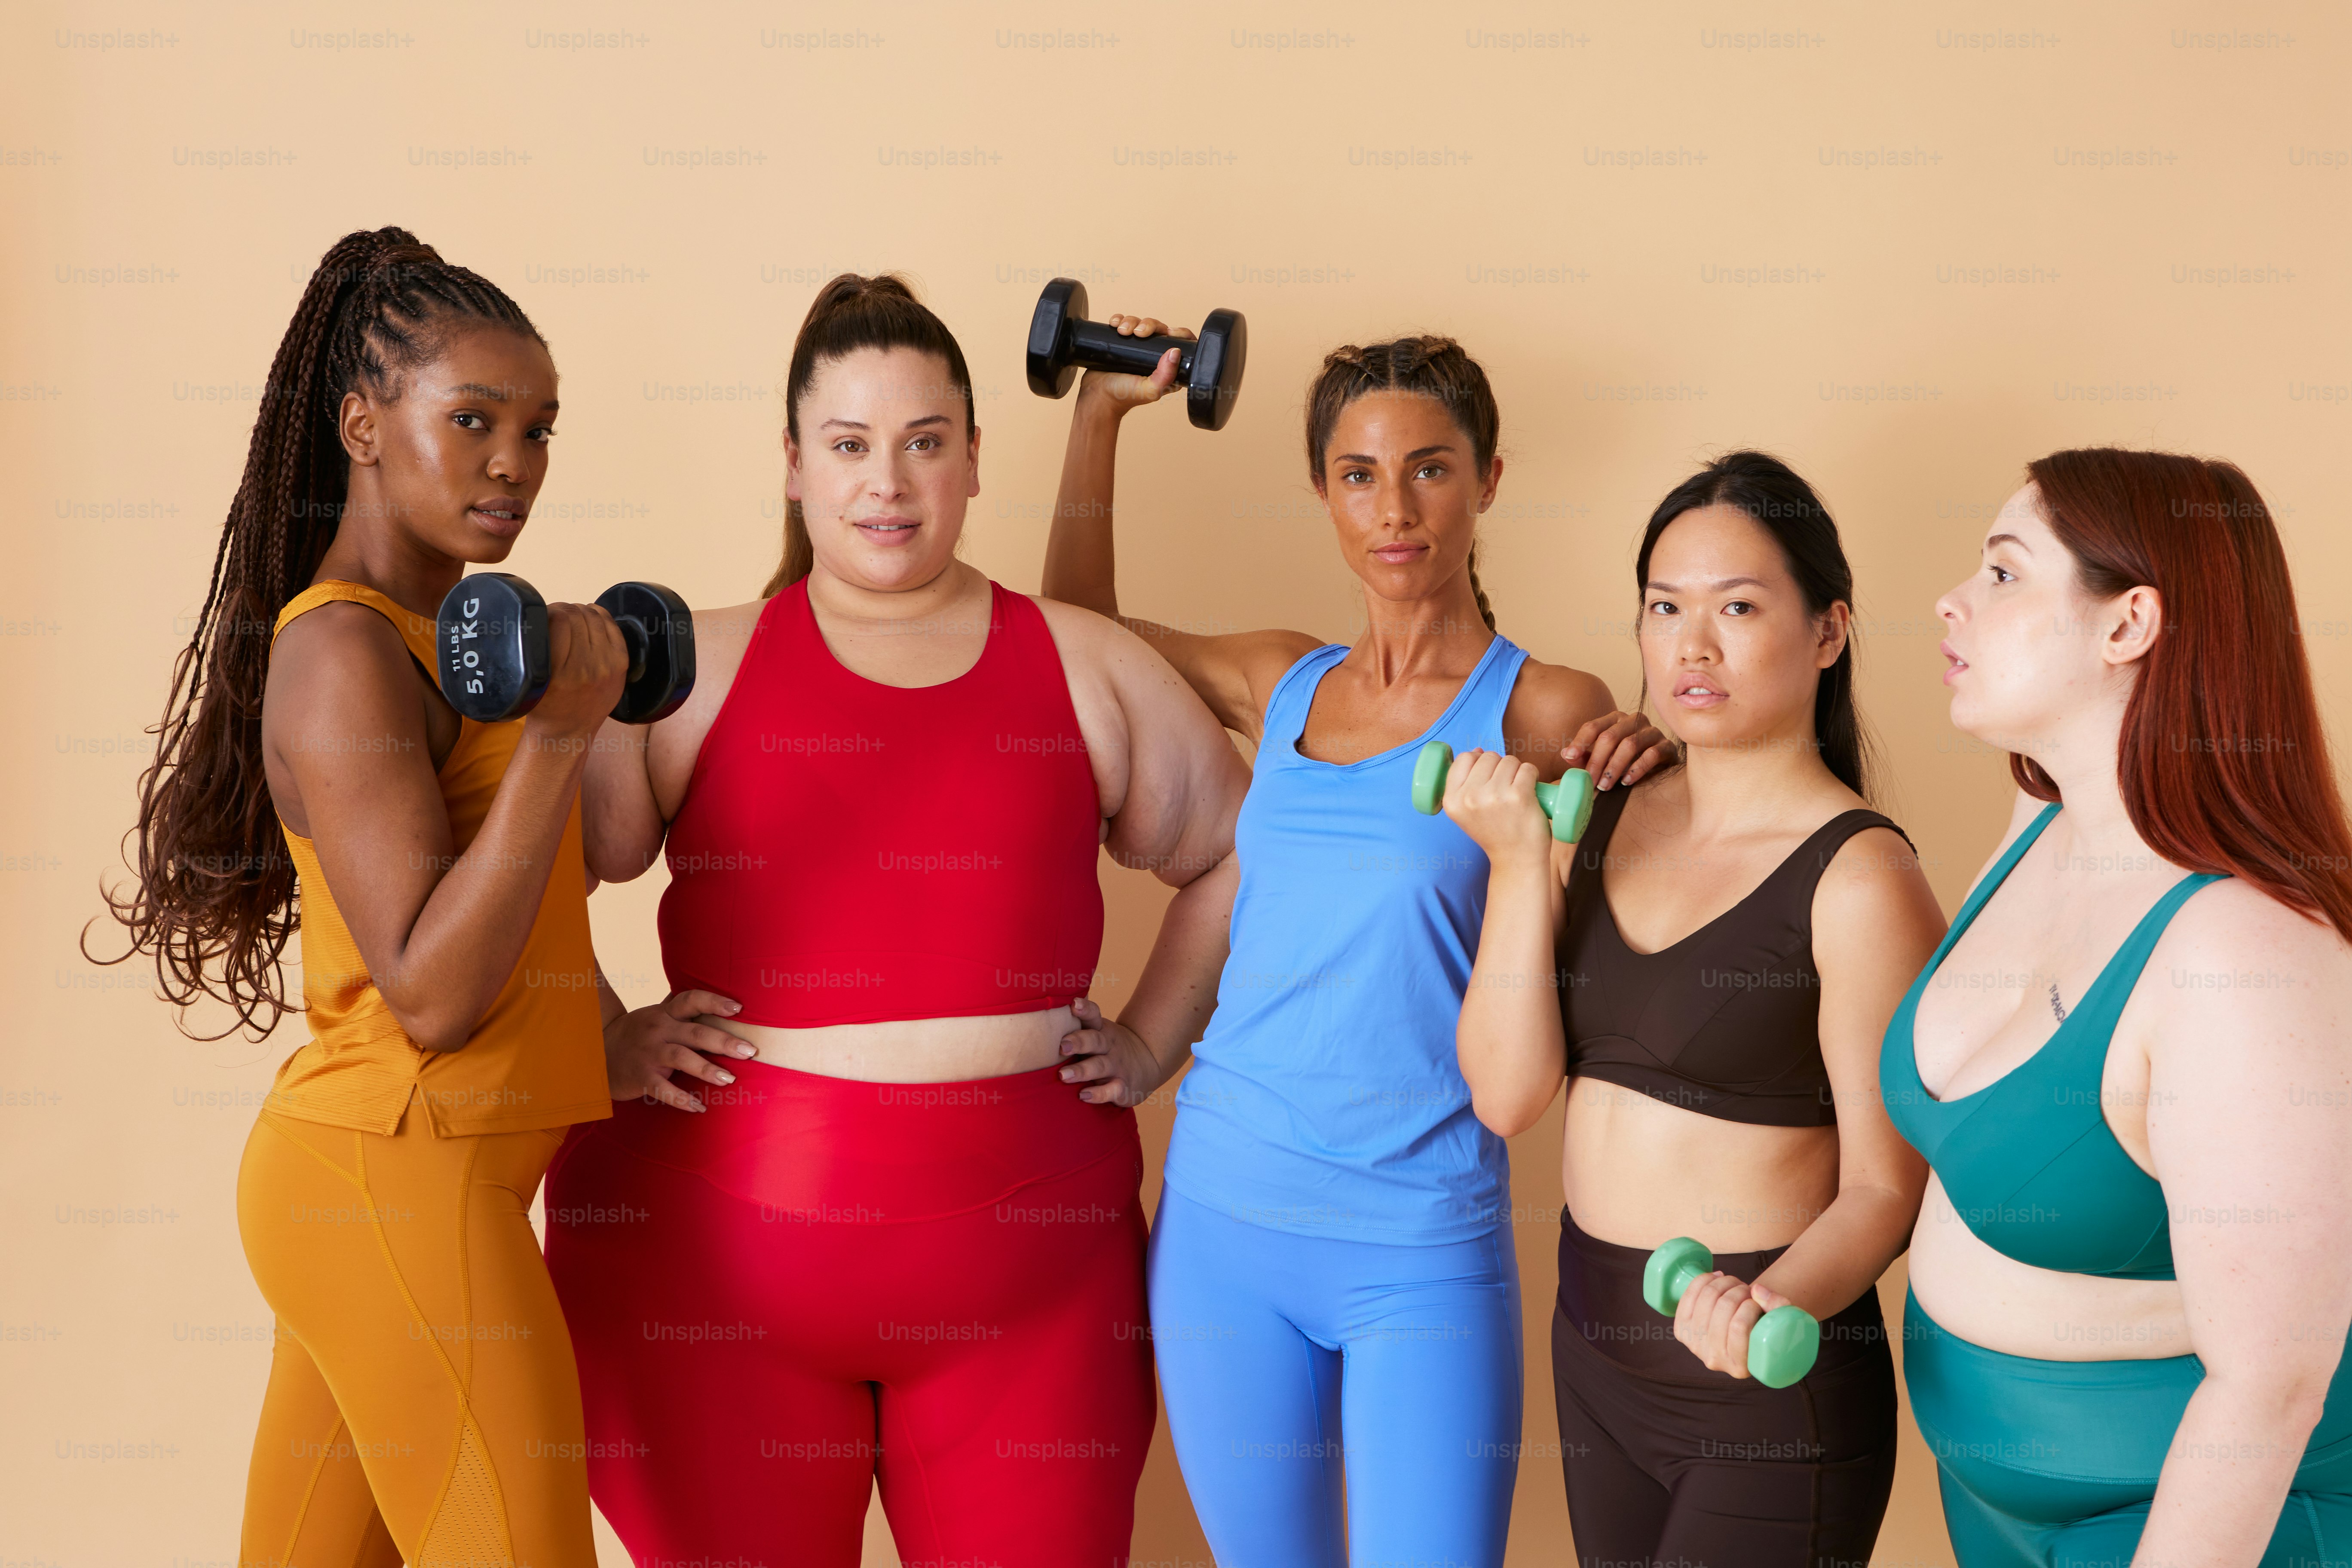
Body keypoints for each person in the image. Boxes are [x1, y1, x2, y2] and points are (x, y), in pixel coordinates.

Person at [540, 274, 1250, 1567]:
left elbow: (1243, 850)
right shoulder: (686, 666)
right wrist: (602, 1033)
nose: (888, 482)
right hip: (715, 1278)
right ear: (794, 465)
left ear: (974, 458)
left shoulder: (1084, 661)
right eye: (851, 445)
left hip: (1031, 1289)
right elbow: (527, 865)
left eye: (925, 443)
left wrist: (1153, 1042)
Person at [1043, 322, 1668, 1566]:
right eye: (1360, 474)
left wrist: (1657, 762)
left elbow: (1632, 900)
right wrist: (1099, 417)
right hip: (1224, 1223)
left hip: (1420, 1240)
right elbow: (1073, 632)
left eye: (1431, 468)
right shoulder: (1280, 679)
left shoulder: (1546, 707)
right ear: (1324, 492)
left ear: (1488, 481)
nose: (1396, 508)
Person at [100, 227, 646, 1567]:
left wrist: (610, 1034)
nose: (514, 462)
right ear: (362, 426)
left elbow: (503, 897)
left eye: (538, 429)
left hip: (381, 1185)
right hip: (400, 1178)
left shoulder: (447, 645)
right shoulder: (346, 650)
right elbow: (433, 993)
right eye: (473, 420)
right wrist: (560, 740)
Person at [1447, 451, 1946, 1567]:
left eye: (1739, 608)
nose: (1694, 645)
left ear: (1829, 632)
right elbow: (1506, 1097)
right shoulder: (1601, 815)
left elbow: (1888, 1187)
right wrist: (1522, 865)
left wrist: (1766, 1302)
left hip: (1762, 1386)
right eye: (1666, 607)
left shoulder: (1862, 878)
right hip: (1594, 1359)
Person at [1886, 448, 2352, 1566]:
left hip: (2182, 1521)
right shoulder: (2042, 823)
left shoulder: (2241, 952)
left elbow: (2271, 1383)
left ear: (2128, 623)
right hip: (1992, 1502)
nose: (1951, 599)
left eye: (2004, 573)